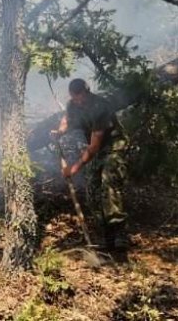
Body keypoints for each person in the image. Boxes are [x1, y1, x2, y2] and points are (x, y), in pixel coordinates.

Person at [52, 78, 130, 250]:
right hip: (95, 149)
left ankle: (119, 233)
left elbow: (94, 146)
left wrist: (74, 168)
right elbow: (67, 118)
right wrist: (60, 131)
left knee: (108, 183)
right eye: (75, 97)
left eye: (81, 97)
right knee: (92, 190)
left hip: (112, 147)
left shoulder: (100, 107)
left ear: (87, 91)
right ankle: (105, 235)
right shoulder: (72, 104)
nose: (78, 101)